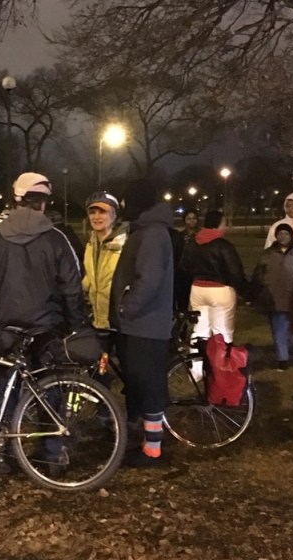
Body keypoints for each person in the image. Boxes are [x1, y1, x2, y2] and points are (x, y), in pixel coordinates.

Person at [0, 172, 85, 474]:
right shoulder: (57, 239)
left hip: (4, 328)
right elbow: (73, 287)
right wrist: (77, 325)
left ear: (16, 200)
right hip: (47, 328)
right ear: (44, 203)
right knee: (51, 389)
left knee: (4, 390)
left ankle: (4, 453)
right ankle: (52, 454)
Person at [109, 179, 175, 468]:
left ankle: (153, 449)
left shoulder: (152, 234)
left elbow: (148, 280)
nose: (123, 205)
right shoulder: (146, 231)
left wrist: (126, 307)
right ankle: (147, 442)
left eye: (125, 200)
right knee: (141, 383)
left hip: (146, 324)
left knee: (149, 385)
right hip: (139, 324)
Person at [181, 210, 249, 345]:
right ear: (218, 224)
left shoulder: (193, 243)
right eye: (224, 223)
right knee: (222, 332)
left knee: (200, 330)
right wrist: (246, 292)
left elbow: (184, 265)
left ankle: (197, 357)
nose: (225, 227)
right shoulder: (223, 245)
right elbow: (235, 272)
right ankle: (222, 357)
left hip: (198, 289)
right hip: (220, 290)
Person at [251, 223, 293, 370]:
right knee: (279, 328)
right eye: (280, 234)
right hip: (275, 297)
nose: (283, 236)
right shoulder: (268, 254)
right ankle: (283, 358)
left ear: (291, 235)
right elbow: (259, 274)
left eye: (286, 234)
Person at [81, 192, 127, 330]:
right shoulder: (91, 242)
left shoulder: (125, 243)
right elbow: (90, 276)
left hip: (118, 322)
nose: (96, 217)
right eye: (92, 212)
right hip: (97, 319)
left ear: (114, 215)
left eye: (102, 212)